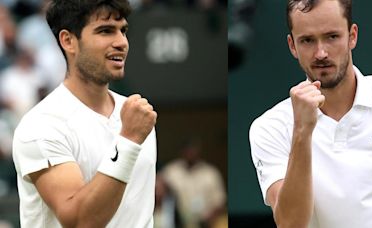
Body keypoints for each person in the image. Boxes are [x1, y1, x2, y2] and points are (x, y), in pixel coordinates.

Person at [249, 0, 372, 228]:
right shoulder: (270, 127)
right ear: (292, 45)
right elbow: (290, 224)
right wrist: (302, 131)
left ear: (352, 36)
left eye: (332, 37)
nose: (321, 53)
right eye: (307, 40)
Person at [12, 0, 157, 228]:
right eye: (105, 31)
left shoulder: (135, 115)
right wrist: (128, 140)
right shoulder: (40, 126)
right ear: (68, 41)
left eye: (123, 31)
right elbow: (80, 221)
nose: (121, 42)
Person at [162, 138, 226, 228]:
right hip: (179, 223)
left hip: (207, 223)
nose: (190, 153)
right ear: (182, 152)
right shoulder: (171, 171)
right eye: (187, 150)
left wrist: (209, 219)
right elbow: (158, 191)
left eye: (193, 150)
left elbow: (220, 202)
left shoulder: (210, 173)